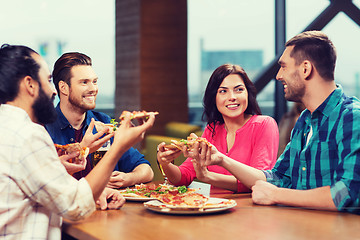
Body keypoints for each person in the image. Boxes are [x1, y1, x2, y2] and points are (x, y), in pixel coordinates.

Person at [191, 31, 360, 213]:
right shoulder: (305, 120)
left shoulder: (352, 117)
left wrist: (276, 195)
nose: (278, 75)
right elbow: (277, 177)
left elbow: (348, 193)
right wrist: (222, 160)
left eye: (284, 66)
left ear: (305, 69)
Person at [0, 44, 155, 238]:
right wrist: (118, 147)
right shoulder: (30, 134)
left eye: (95, 81)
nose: (52, 91)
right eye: (48, 81)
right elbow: (75, 206)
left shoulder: (7, 128)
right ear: (30, 84)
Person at [157, 64, 279, 192]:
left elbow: (260, 181)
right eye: (223, 91)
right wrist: (165, 163)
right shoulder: (212, 129)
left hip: (250, 208)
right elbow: (183, 177)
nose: (232, 97)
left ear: (248, 93)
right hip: (215, 208)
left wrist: (208, 177)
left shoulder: (265, 124)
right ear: (214, 97)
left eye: (239, 89)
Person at [45, 52, 154, 188]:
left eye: (94, 82)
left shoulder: (104, 123)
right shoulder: (43, 128)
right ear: (64, 88)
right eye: (84, 83)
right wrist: (83, 150)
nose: (93, 89)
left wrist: (128, 178)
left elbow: (146, 170)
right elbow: (43, 183)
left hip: (110, 206)